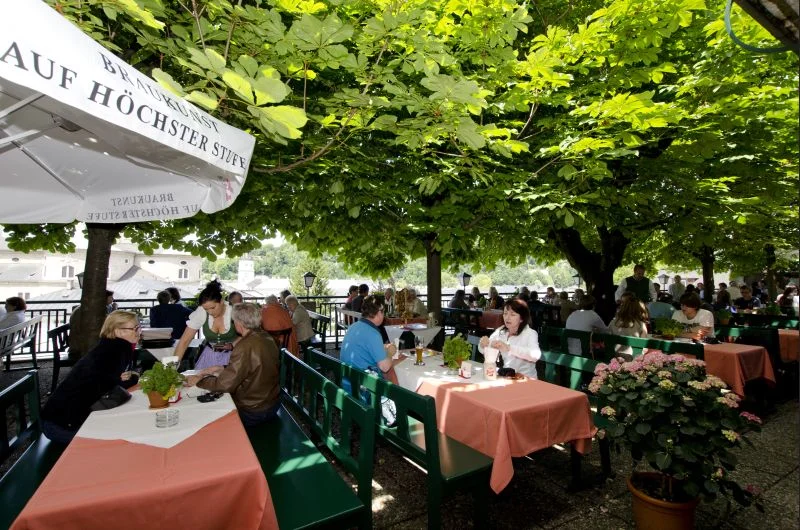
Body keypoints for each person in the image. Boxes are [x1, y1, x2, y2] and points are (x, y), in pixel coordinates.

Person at [41, 311, 141, 444]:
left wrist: (129, 377)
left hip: (55, 418)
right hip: (62, 426)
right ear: (117, 331)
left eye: (139, 327)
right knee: (124, 439)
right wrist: (134, 377)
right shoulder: (116, 350)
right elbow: (115, 389)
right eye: (134, 329)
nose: (139, 332)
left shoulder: (109, 345)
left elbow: (111, 382)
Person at [185, 303, 280, 427]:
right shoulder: (267, 337)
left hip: (253, 410)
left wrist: (199, 381)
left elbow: (224, 385)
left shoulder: (244, 346)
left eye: (233, 321)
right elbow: (253, 366)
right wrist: (223, 368)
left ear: (239, 323)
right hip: (272, 403)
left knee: (204, 417)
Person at [174, 280, 239, 370]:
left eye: (213, 307)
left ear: (221, 301)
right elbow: (184, 341)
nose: (210, 312)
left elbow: (249, 335)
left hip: (234, 357)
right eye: (206, 309)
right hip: (209, 357)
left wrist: (233, 345)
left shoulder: (234, 311)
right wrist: (172, 367)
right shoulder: (201, 312)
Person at [340, 296, 401, 385]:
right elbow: (385, 367)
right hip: (362, 387)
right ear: (379, 312)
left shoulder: (354, 326)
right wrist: (391, 353)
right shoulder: (373, 333)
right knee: (392, 374)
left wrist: (383, 347)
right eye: (383, 312)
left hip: (348, 380)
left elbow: (364, 346)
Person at [478, 299, 541, 378]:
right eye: (505, 313)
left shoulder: (530, 333)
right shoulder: (501, 331)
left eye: (512, 314)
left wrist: (509, 348)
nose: (507, 318)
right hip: (507, 376)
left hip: (526, 379)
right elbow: (486, 350)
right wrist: (483, 344)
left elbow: (535, 355)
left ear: (522, 318)